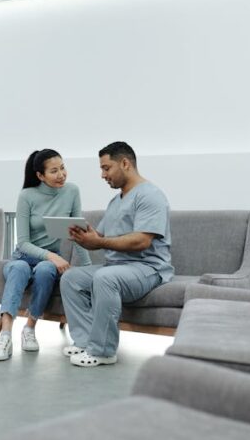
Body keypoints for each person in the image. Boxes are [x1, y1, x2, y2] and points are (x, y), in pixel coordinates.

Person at [61, 141, 173, 367]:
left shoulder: (150, 196)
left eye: (106, 168)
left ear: (125, 163)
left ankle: (103, 351)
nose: (103, 175)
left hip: (148, 269)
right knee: (71, 278)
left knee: (105, 278)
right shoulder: (116, 201)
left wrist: (99, 240)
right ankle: (84, 342)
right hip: (116, 267)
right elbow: (101, 239)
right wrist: (85, 238)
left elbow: (142, 240)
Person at [0, 149, 90, 361]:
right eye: (54, 171)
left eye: (62, 168)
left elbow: (77, 233)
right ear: (40, 175)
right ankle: (5, 336)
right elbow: (23, 243)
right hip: (23, 256)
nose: (61, 174)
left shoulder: (72, 191)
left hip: (49, 259)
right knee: (19, 268)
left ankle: (29, 329)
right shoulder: (27, 196)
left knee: (45, 270)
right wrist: (53, 257)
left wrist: (89, 268)